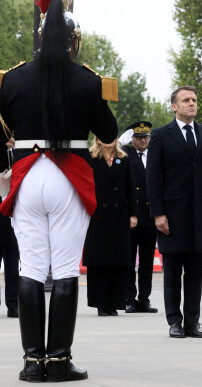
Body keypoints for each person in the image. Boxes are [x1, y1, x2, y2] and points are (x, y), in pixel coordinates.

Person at [0, 0, 118, 382]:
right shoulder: (88, 79)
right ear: (74, 41)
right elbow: (109, 134)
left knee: (30, 267)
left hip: (28, 175)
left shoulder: (13, 78)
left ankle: (33, 363)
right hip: (69, 176)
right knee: (65, 269)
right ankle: (60, 360)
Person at [147, 86, 202, 339]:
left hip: (201, 214)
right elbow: (152, 179)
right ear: (174, 106)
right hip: (172, 216)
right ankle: (174, 321)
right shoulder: (160, 135)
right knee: (172, 272)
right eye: (186, 100)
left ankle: (192, 321)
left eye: (194, 100)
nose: (192, 103)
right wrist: (158, 213)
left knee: (194, 273)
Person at [82, 137, 138, 316]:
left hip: (119, 216)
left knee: (118, 260)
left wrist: (133, 214)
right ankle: (101, 304)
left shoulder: (124, 159)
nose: (108, 140)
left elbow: (130, 187)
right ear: (97, 140)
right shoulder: (90, 158)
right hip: (97, 216)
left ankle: (114, 303)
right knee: (99, 261)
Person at [119, 121, 158, 314]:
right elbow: (112, 160)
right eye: (139, 137)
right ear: (132, 139)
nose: (143, 140)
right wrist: (119, 144)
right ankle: (129, 298)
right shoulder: (126, 155)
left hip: (150, 216)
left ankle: (144, 298)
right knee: (128, 260)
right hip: (132, 216)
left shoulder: (154, 156)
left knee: (146, 262)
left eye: (146, 137)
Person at [0, 195, 19, 318]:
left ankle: (13, 307)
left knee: (13, 270)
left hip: (13, 228)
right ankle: (13, 306)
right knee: (12, 269)